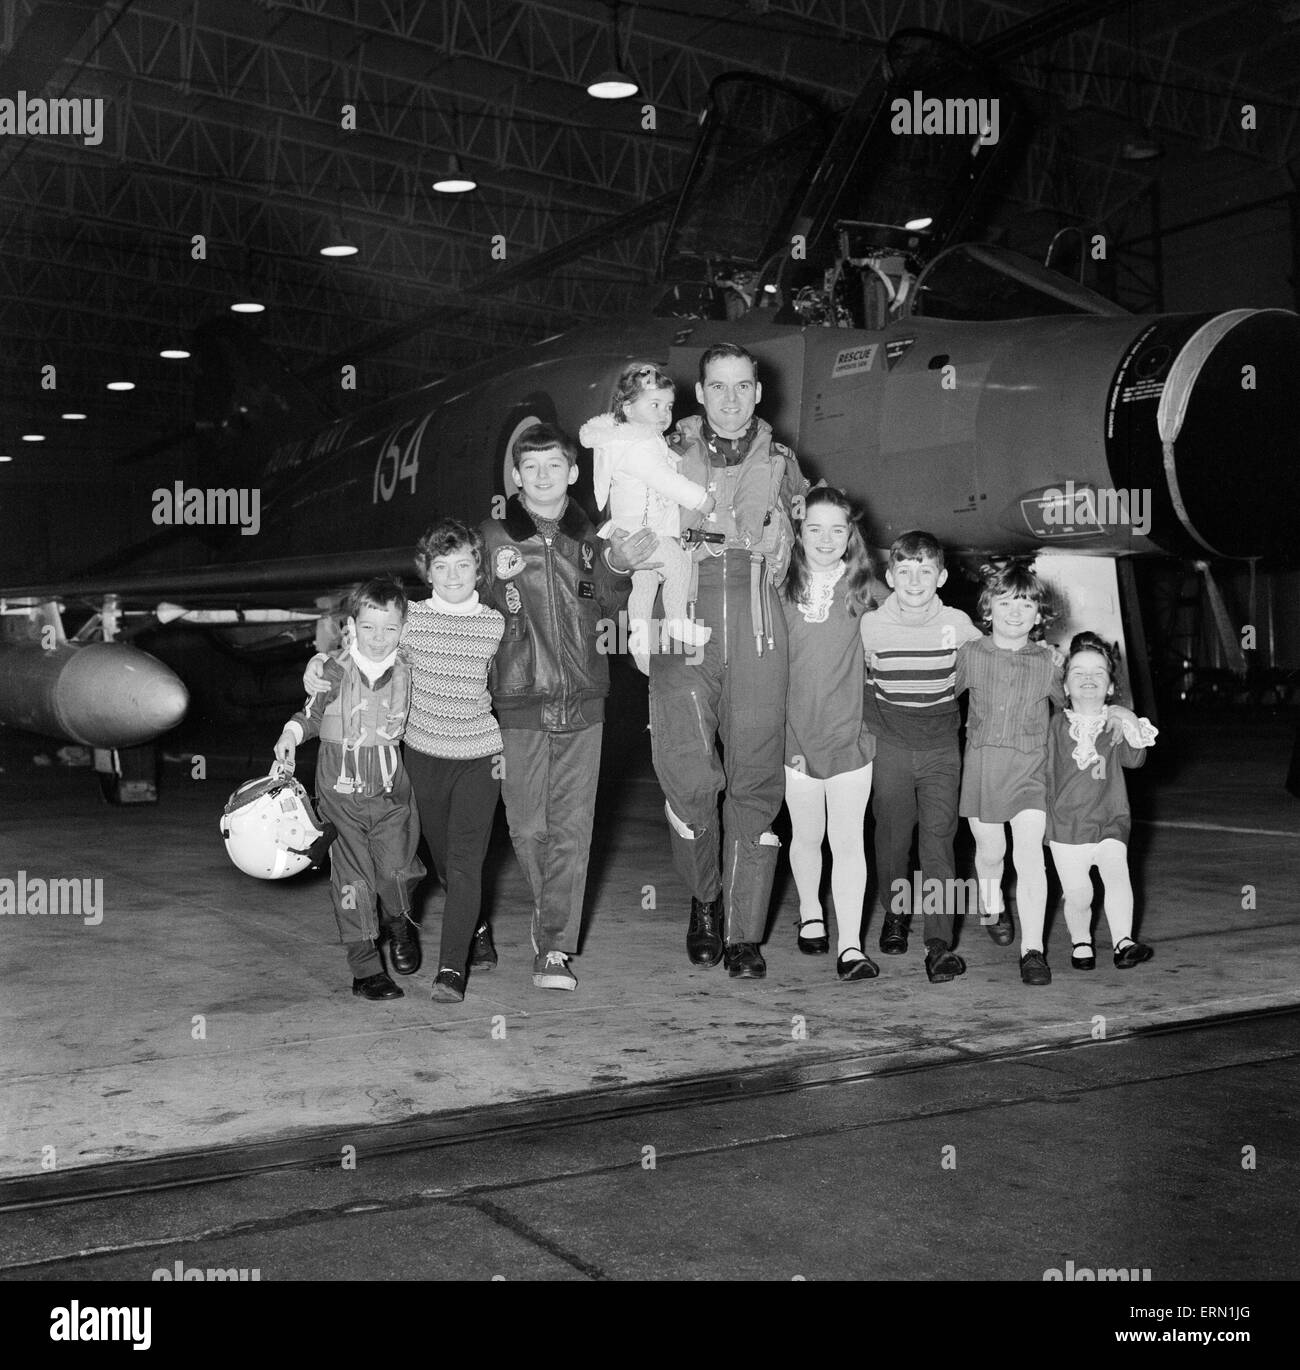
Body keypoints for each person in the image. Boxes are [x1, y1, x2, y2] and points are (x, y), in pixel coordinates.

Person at [643, 342, 810, 980]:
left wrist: (786, 539)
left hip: (759, 615)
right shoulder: (660, 451)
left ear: (759, 393)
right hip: (682, 611)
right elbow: (621, 528)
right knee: (686, 773)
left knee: (757, 775)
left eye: (743, 386)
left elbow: (819, 550)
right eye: (718, 386)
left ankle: (743, 931)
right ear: (700, 392)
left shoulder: (788, 464)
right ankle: (704, 897)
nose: (731, 399)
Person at [479, 421, 639, 991]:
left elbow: (613, 610)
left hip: (586, 702)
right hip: (519, 700)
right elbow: (456, 605)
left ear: (574, 473)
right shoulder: (491, 539)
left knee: (573, 828)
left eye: (555, 466)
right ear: (516, 476)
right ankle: (551, 918)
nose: (544, 476)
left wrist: (620, 567)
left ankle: (553, 947)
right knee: (528, 828)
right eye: (532, 467)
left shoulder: (592, 541)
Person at [955, 559, 1139, 986]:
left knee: (1030, 859)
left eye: (1025, 605)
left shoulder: (1050, 662)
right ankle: (991, 903)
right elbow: (939, 697)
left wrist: (1119, 713)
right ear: (988, 607)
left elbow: (1080, 702)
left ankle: (1032, 950)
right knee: (990, 853)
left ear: (1040, 616)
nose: (1015, 612)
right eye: (1006, 602)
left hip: (1034, 771)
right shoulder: (970, 654)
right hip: (983, 769)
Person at [277, 577, 424, 1001]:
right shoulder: (333, 669)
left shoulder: (412, 669)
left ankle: (400, 922)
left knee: (398, 871)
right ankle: (365, 971)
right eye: (369, 627)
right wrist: (290, 734)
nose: (379, 639)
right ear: (352, 625)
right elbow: (309, 714)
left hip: (392, 792)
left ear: (404, 628)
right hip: (339, 795)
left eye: (391, 628)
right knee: (352, 880)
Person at [860, 531, 982, 984]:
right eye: (905, 571)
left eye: (925, 571)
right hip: (890, 744)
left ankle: (938, 945)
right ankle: (895, 913)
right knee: (893, 839)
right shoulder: (871, 625)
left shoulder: (959, 624)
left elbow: (992, 665)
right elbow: (856, 682)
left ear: (942, 576)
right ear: (890, 576)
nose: (914, 581)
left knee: (940, 842)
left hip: (940, 749)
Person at [401, 518, 505, 1002]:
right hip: (422, 757)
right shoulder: (410, 620)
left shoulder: (495, 623)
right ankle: (476, 926)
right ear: (427, 570)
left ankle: (450, 969)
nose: (453, 575)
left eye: (463, 564)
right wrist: (321, 665)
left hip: (479, 758)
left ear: (478, 568)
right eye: (441, 566)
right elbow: (362, 657)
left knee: (466, 864)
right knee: (442, 864)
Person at [781, 487, 877, 981]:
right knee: (806, 834)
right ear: (798, 533)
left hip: (851, 737)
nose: (826, 538)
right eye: (814, 528)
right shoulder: (779, 587)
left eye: (837, 529)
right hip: (794, 734)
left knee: (848, 840)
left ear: (850, 535)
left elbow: (915, 625)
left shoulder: (867, 590)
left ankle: (851, 946)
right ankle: (811, 912)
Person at [579, 362, 715, 673]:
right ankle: (677, 621)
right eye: (654, 405)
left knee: (645, 583)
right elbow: (664, 480)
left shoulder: (625, 441)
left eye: (668, 406)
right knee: (679, 564)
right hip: (647, 532)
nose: (664, 414)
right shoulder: (640, 445)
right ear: (627, 407)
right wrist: (701, 499)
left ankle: (640, 642)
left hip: (632, 530)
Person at [1046, 631, 1157, 971]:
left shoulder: (1116, 721)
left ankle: (1124, 941)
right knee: (1079, 895)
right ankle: (1081, 941)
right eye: (1078, 672)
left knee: (1117, 873)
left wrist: (1125, 718)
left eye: (1098, 672)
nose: (1088, 678)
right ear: (1064, 687)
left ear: (1110, 686)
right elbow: (1043, 774)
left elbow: (1134, 760)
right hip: (1067, 826)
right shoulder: (1054, 726)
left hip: (1111, 819)